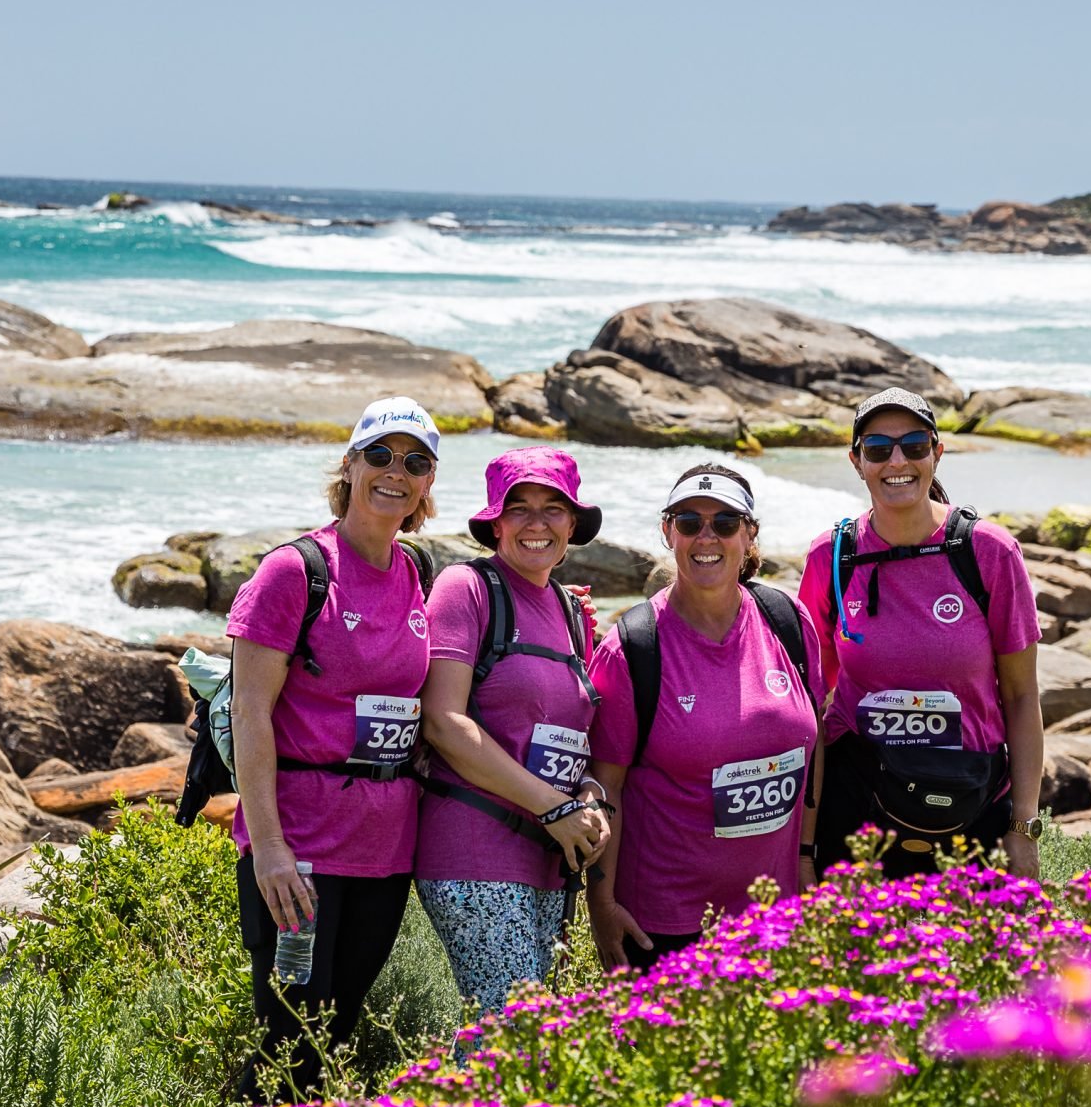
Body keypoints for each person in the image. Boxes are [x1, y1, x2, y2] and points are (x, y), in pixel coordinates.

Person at [226, 396, 439, 1092]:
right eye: (379, 454)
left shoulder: (419, 573)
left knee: (338, 1032)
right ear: (349, 465)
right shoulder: (296, 571)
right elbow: (251, 712)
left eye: (415, 462)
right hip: (302, 850)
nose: (394, 473)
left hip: (383, 852)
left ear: (429, 482)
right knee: (290, 1041)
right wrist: (271, 847)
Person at [799, 387, 1044, 879]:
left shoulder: (988, 552)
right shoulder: (831, 556)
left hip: (971, 802)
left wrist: (1023, 828)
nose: (897, 461)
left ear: (936, 452)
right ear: (856, 460)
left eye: (913, 445)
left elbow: (1020, 695)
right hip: (857, 806)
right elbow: (810, 704)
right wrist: (803, 846)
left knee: (976, 955)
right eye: (877, 449)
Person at [587, 463, 824, 971]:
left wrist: (805, 857)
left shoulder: (789, 622)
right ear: (667, 532)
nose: (706, 537)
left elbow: (814, 744)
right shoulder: (632, 648)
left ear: (750, 534)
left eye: (725, 522)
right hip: (665, 925)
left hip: (772, 917)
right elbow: (607, 788)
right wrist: (601, 905)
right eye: (689, 522)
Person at [415, 447, 614, 1011]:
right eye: (518, 508)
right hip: (475, 850)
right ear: (494, 522)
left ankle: (433, 1104)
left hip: (549, 859)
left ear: (573, 524)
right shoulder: (467, 588)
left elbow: (572, 734)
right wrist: (555, 807)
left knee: (519, 1039)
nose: (536, 523)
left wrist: (588, 798)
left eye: (553, 508)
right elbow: (443, 721)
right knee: (513, 1032)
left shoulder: (574, 614)